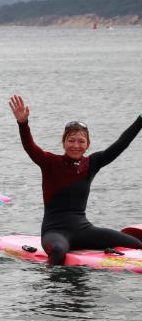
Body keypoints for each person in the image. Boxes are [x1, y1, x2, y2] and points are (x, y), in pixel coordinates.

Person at [9, 95, 142, 265]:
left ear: (87, 145)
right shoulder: (50, 162)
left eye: (81, 141)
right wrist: (23, 124)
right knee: (58, 252)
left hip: (84, 230)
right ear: (63, 143)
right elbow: (30, 147)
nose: (76, 145)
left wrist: (140, 119)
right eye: (71, 140)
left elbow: (121, 144)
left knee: (136, 244)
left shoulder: (92, 163)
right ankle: (50, 289)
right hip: (54, 232)